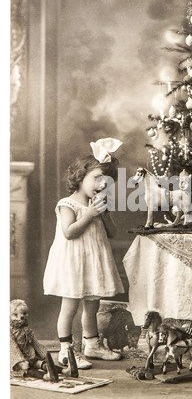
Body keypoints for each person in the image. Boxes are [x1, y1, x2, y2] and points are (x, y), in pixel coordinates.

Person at [43, 138, 125, 369]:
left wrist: (104, 214)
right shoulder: (68, 204)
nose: (102, 185)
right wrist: (88, 215)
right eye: (97, 179)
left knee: (93, 305)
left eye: (106, 182)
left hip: (94, 262)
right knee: (69, 307)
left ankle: (92, 344)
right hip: (73, 264)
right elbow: (69, 233)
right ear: (80, 177)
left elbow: (112, 232)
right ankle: (66, 350)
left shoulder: (97, 205)